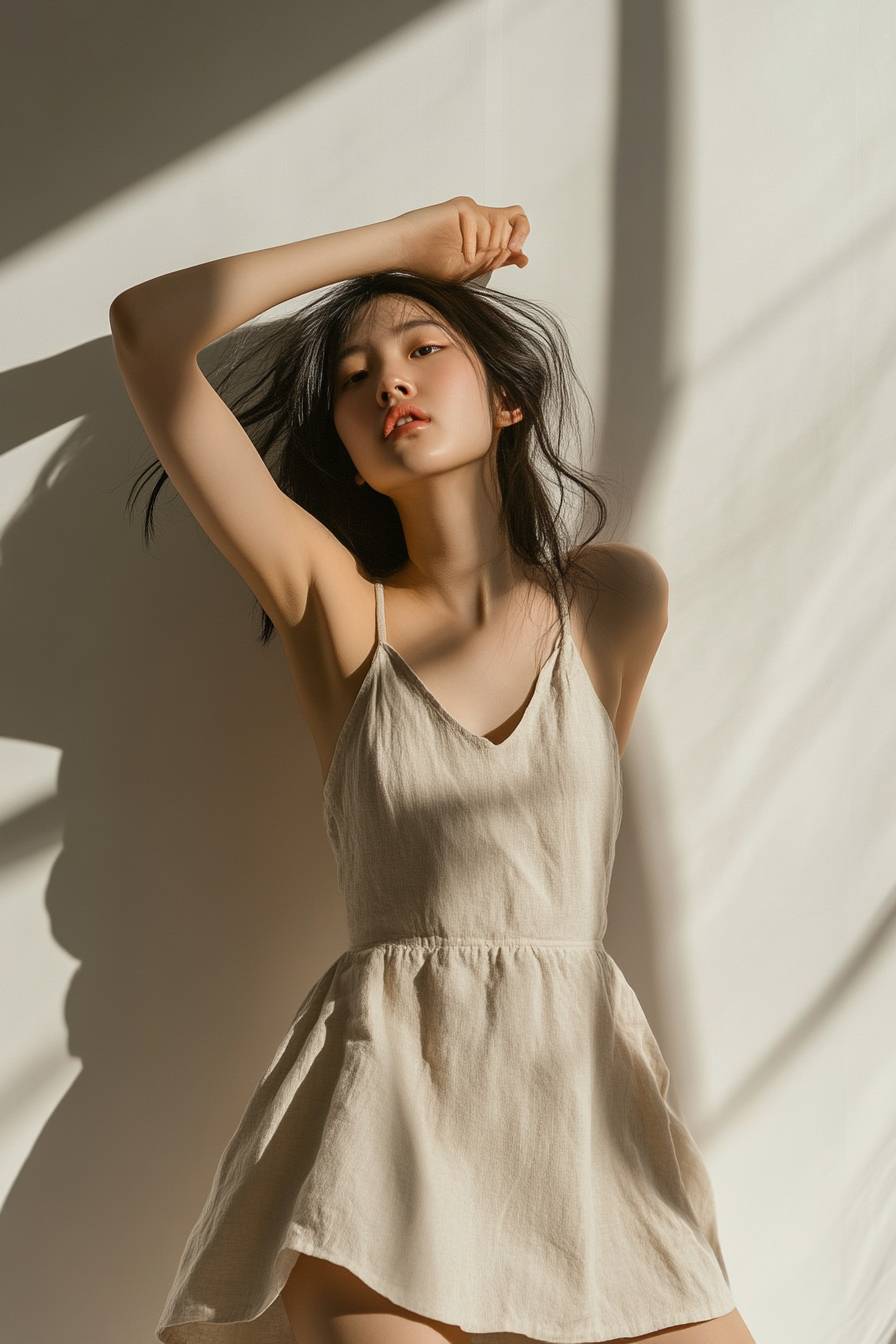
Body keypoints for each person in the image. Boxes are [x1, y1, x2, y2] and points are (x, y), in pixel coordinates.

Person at [110, 197, 756, 1344]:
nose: (385, 382)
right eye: (354, 377)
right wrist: (391, 252)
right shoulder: (336, 608)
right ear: (350, 457)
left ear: (506, 400)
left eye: (422, 350)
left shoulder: (614, 602)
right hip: (390, 1120)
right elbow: (150, 332)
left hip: (580, 1111)